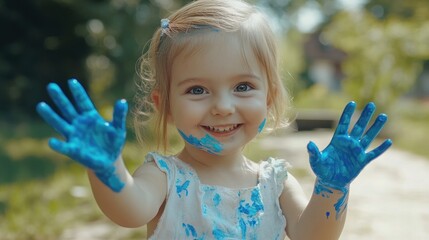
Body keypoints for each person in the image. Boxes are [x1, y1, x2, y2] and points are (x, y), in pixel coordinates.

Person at [36, 0, 392, 239]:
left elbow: (313, 235)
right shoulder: (164, 176)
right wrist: (107, 169)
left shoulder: (276, 183)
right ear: (166, 105)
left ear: (268, 99)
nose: (222, 107)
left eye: (242, 86)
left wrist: (333, 189)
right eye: (197, 91)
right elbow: (129, 210)